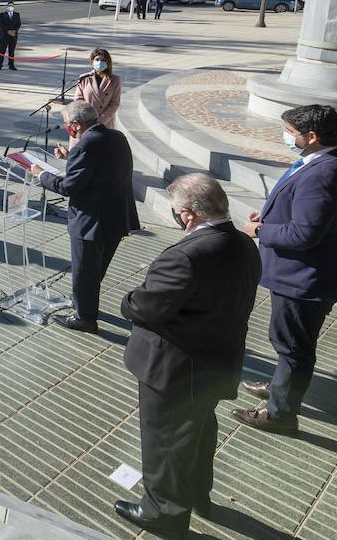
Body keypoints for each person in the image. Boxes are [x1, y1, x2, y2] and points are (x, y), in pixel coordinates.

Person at [114, 174, 261, 536]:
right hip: (218, 362)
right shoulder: (244, 244)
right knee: (198, 431)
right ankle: (197, 494)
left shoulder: (185, 255)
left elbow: (146, 308)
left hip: (175, 369)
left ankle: (162, 514)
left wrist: (128, 300)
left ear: (187, 214)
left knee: (164, 441)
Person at [234, 104, 337, 435]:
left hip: (305, 279)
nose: (286, 137)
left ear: (312, 137)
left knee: (294, 347)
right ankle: (281, 385)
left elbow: (305, 233)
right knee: (290, 342)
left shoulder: (324, 174)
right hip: (307, 273)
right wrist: (267, 220)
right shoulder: (330, 160)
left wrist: (260, 231)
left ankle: (279, 414)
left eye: (291, 133)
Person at [33, 101, 140, 333]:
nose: (66, 129)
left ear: (76, 124)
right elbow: (100, 167)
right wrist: (70, 157)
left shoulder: (86, 145)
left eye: (66, 125)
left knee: (84, 270)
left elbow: (70, 187)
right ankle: (86, 303)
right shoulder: (116, 137)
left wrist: (41, 174)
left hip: (92, 220)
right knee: (97, 268)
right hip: (116, 216)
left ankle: (84, 317)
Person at [73, 48, 122, 146]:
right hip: (86, 122)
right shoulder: (85, 78)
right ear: (92, 61)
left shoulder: (115, 80)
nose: (100, 62)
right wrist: (87, 117)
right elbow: (78, 99)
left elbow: (114, 104)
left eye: (103, 60)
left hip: (105, 123)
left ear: (108, 62)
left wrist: (100, 121)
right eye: (97, 60)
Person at [0, 2, 21, 71]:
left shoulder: (17, 14)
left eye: (12, 6)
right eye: (9, 6)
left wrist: (14, 31)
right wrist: (8, 31)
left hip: (13, 35)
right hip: (4, 36)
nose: (10, 7)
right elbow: (1, 25)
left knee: (11, 51)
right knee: (2, 51)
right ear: (7, 6)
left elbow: (18, 24)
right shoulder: (2, 15)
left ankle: (11, 65)